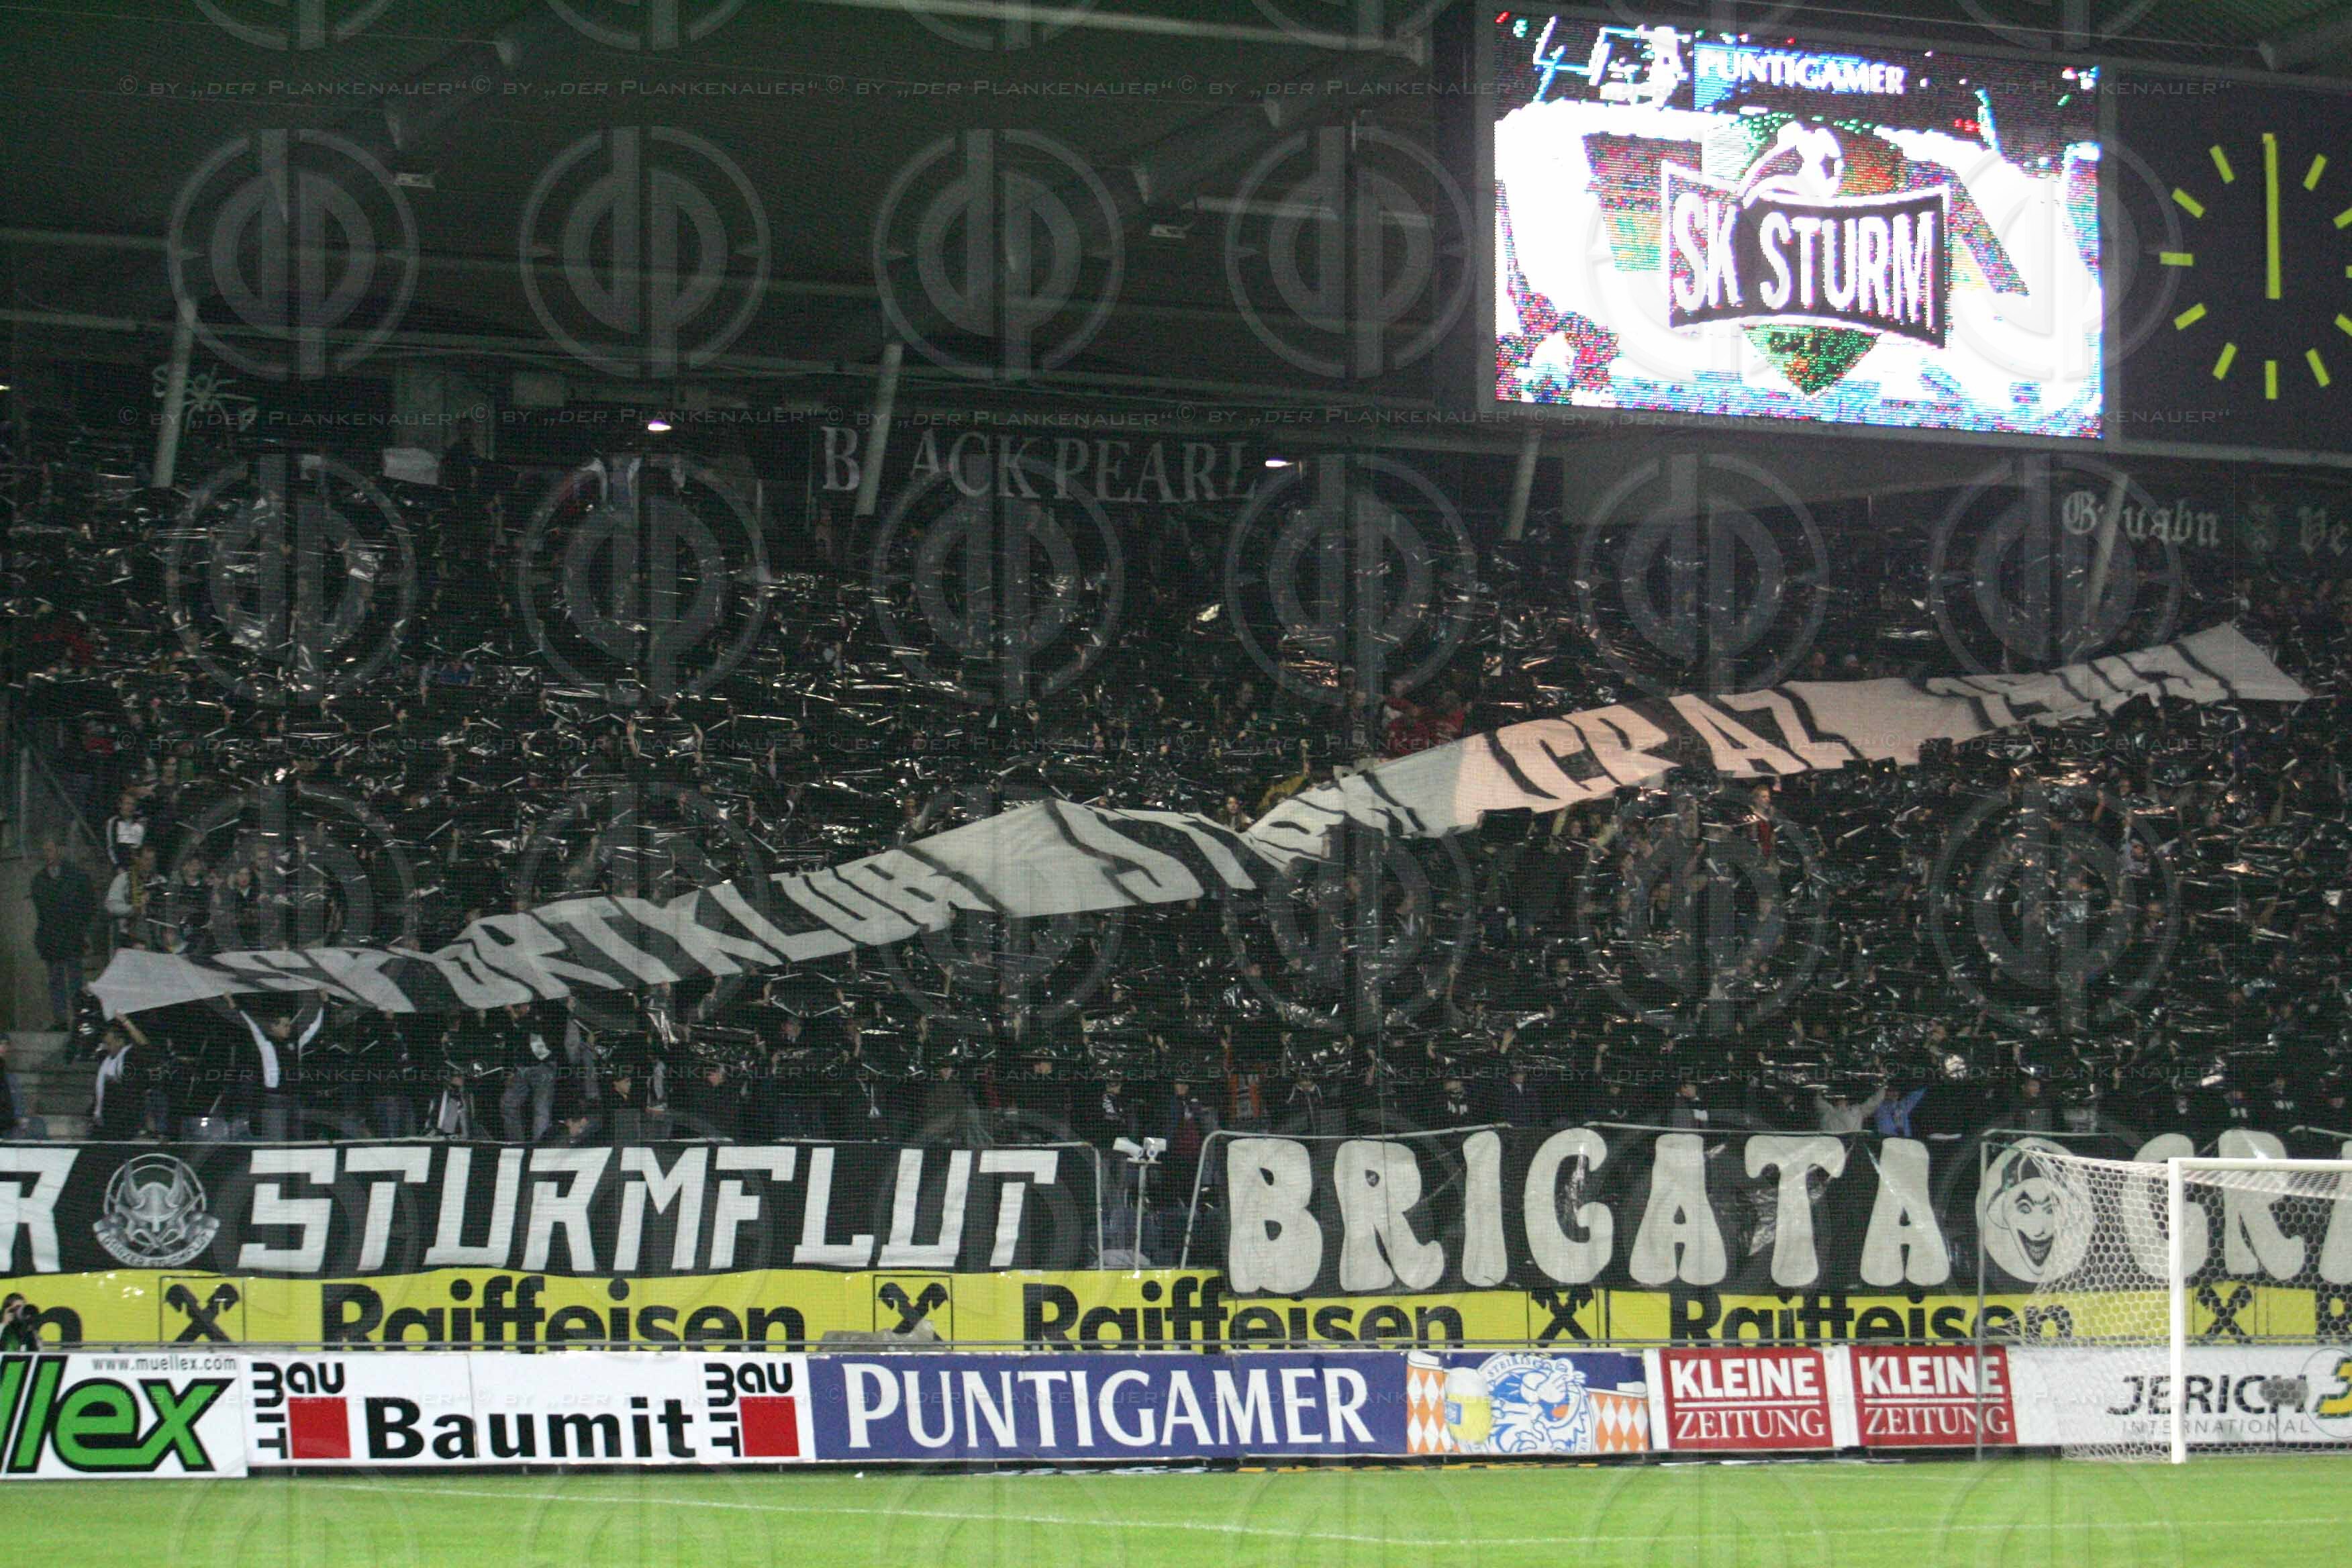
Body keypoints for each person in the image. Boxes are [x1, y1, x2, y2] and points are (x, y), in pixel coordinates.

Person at [28, 840, 96, 1027]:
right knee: (56, 980)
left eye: (50, 850)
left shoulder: (76, 875)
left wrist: (81, 928)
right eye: (45, 851)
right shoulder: (40, 879)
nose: (47, 854)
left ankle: (79, 1019)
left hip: (72, 935)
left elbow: (89, 904)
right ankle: (61, 1020)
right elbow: (41, 910)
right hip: (51, 938)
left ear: (59, 851)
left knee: (75, 980)